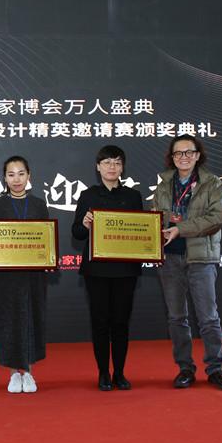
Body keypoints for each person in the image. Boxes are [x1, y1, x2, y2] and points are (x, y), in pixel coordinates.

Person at [152, 134, 222, 391]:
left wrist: (181, 229)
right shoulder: (164, 185)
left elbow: (216, 218)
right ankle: (185, 368)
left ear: (198, 155)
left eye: (189, 152)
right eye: (178, 153)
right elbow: (155, 218)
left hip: (201, 257)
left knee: (208, 317)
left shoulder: (212, 184)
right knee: (177, 317)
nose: (184, 157)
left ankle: (216, 368)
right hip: (170, 257)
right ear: (172, 157)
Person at [0, 156, 49, 394]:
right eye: (11, 174)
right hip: (6, 277)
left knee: (31, 319)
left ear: (29, 176)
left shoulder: (38, 205)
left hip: (33, 276)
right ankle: (14, 373)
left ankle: (28, 371)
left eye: (21, 174)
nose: (16, 179)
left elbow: (47, 239)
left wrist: (50, 258)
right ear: (4, 178)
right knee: (10, 321)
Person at [72, 145, 143, 391]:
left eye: (117, 162)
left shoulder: (133, 196)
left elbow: (142, 232)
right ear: (98, 166)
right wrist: (84, 224)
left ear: (122, 167)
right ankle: (103, 373)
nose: (112, 167)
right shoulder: (88, 195)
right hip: (97, 270)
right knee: (100, 322)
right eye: (107, 162)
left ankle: (120, 373)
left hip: (126, 269)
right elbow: (76, 233)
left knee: (121, 322)